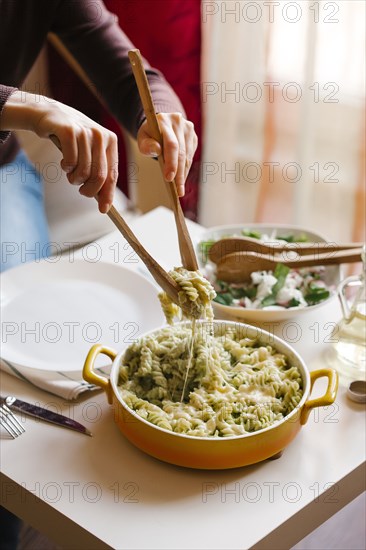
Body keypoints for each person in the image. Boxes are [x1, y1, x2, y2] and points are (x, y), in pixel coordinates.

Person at [0, 0, 198, 272]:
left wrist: (161, 115)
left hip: (4, 167)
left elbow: (126, 73)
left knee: (17, 298)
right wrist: (31, 108)